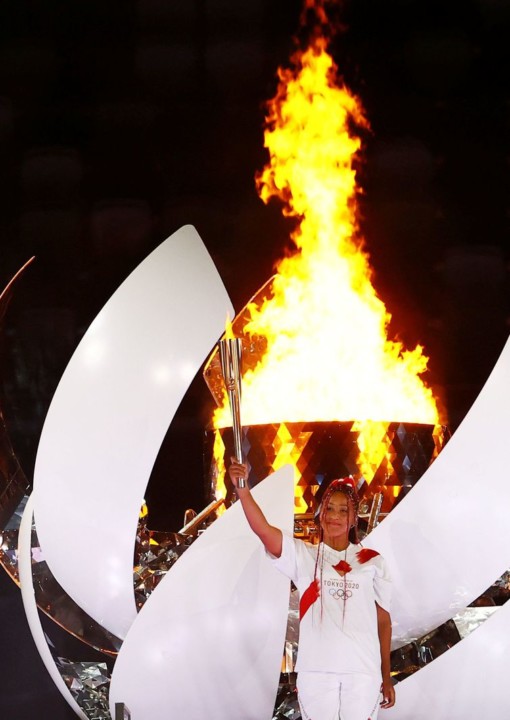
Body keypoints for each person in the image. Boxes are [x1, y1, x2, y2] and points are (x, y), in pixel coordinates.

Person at [228, 459, 396, 720]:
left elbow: (383, 621)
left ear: (353, 518)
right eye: (329, 509)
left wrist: (386, 676)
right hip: (317, 672)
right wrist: (243, 490)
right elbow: (263, 530)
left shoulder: (372, 560)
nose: (335, 516)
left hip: (363, 671)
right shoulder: (304, 555)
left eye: (343, 511)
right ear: (321, 514)